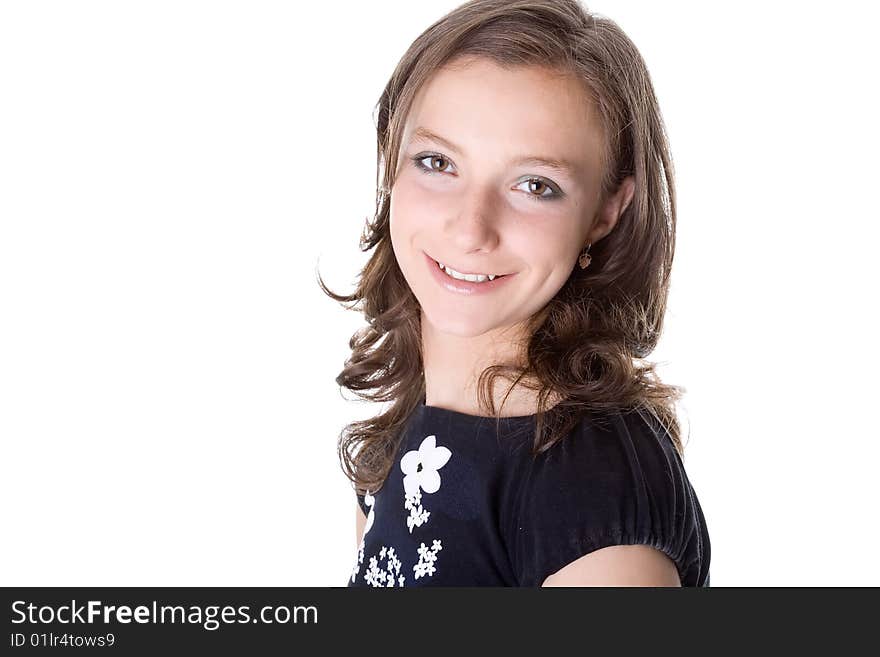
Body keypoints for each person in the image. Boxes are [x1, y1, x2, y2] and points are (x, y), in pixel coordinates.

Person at [319, 0, 711, 587]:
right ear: (390, 160)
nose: (471, 228)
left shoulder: (593, 484)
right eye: (436, 162)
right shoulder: (402, 435)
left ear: (607, 210)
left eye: (535, 185)